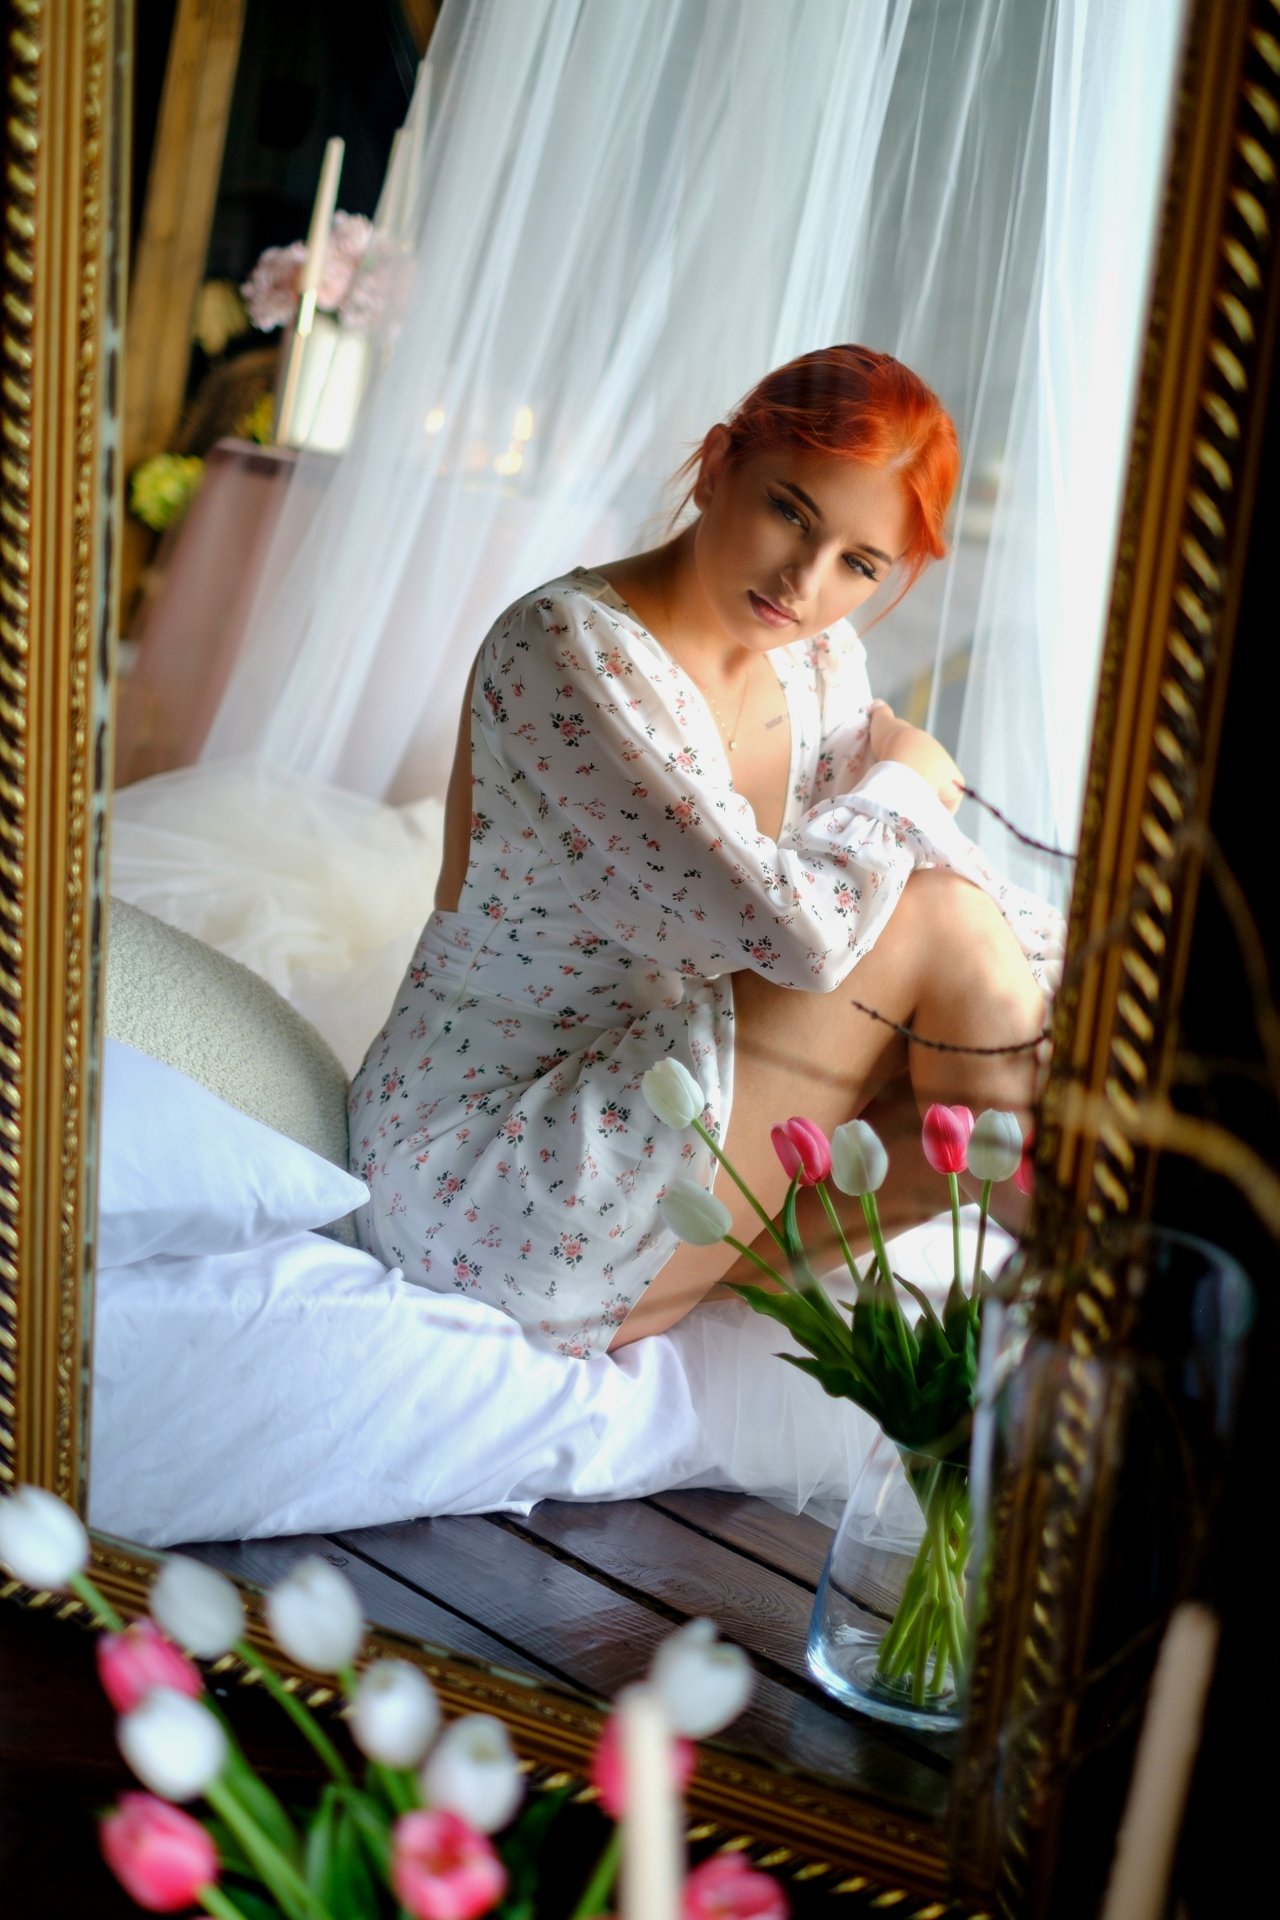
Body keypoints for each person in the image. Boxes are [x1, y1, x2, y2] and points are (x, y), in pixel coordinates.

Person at [349, 345, 1061, 1359]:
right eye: (790, 512)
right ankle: (1109, 1284)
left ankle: (1103, 1273)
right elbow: (806, 939)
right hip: (488, 1173)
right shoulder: (565, 646)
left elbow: (911, 885)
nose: (803, 582)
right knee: (936, 927)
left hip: (659, 1116)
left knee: (946, 1117)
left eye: (858, 564)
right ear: (720, 463)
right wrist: (903, 782)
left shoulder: (817, 658)